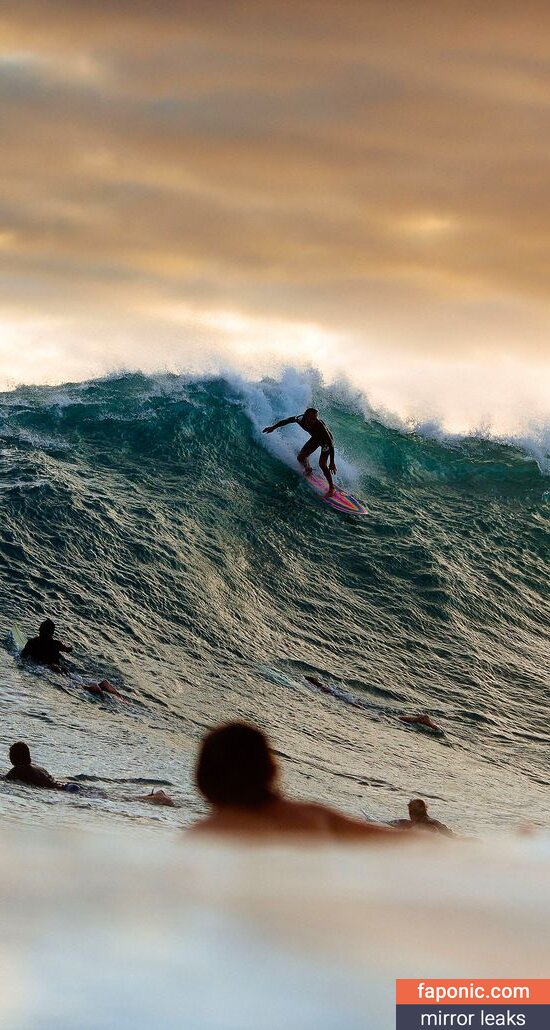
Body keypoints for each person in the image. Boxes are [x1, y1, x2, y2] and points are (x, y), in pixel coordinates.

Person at [189, 722, 403, 840]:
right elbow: (399, 844)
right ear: (271, 770)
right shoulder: (315, 817)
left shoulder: (200, 838)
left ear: (204, 778)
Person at [263, 407, 337, 496]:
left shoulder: (320, 425)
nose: (314, 421)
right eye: (311, 418)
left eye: (315, 418)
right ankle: (308, 468)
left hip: (326, 442)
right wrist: (273, 427)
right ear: (306, 417)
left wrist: (332, 462)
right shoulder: (300, 419)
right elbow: (287, 420)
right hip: (316, 439)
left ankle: (331, 488)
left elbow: (330, 443)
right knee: (301, 457)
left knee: (322, 463)